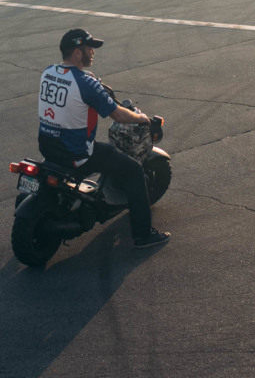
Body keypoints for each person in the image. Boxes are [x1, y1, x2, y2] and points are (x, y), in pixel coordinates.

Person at [38, 28, 170, 249]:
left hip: (48, 147)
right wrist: (142, 119)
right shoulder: (85, 83)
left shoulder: (48, 72)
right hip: (77, 153)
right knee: (133, 171)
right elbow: (117, 114)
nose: (93, 52)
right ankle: (143, 235)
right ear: (77, 53)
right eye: (89, 48)